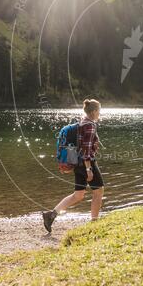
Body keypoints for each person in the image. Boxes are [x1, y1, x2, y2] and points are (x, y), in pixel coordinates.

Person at [43, 99, 104, 233]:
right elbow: (86, 149)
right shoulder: (90, 125)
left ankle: (51, 215)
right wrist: (89, 169)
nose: (100, 113)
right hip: (87, 163)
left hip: (77, 162)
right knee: (98, 191)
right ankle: (94, 222)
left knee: (78, 195)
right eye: (99, 111)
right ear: (94, 112)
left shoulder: (82, 121)